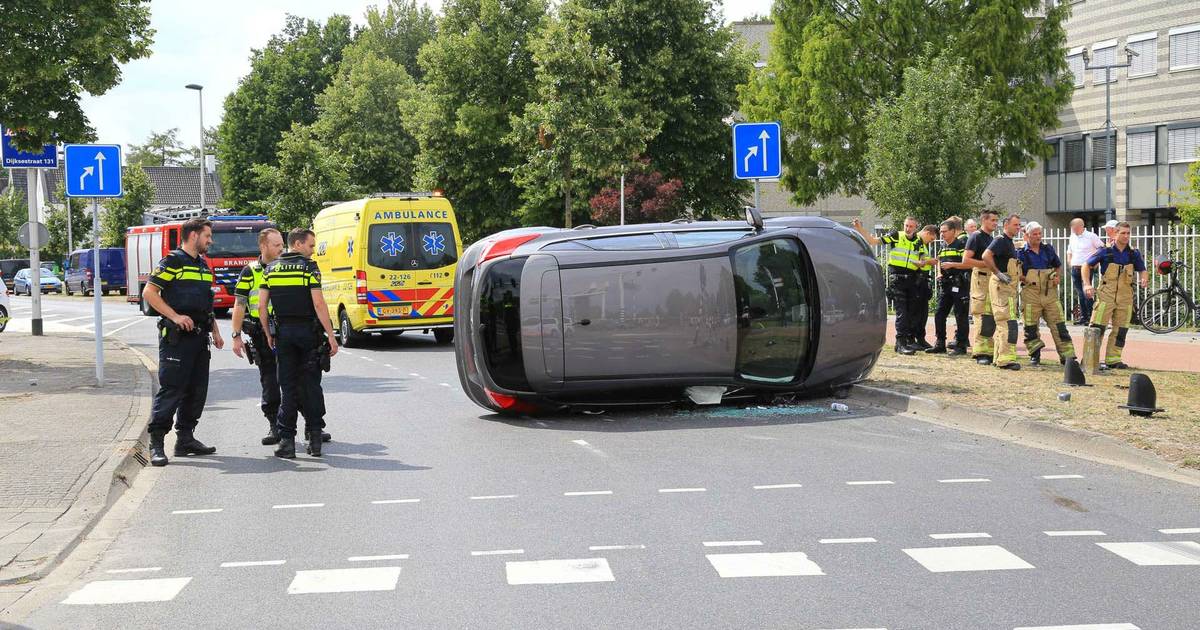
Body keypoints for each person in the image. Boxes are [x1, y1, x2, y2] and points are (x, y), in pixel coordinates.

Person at [231, 229, 333, 447]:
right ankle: (277, 427)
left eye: (281, 245)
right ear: (263, 246)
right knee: (274, 382)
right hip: (265, 333)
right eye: (276, 245)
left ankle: (305, 429)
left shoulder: (278, 269)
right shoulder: (251, 271)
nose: (280, 249)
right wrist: (236, 335)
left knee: (296, 383)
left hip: (281, 332)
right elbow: (240, 304)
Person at [141, 218, 224, 467]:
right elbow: (149, 293)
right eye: (207, 236)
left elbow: (205, 304)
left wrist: (216, 331)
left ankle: (185, 439)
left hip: (200, 337)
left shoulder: (202, 265)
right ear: (194, 235)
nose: (210, 241)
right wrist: (175, 316)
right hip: (176, 339)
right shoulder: (172, 261)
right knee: (172, 389)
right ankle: (156, 443)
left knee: (197, 391)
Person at [259, 228, 339, 458]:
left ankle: (287, 442)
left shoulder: (270, 269)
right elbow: (319, 304)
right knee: (311, 385)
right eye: (311, 246)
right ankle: (315, 440)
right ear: (297, 244)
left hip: (283, 334)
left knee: (288, 388)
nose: (313, 251)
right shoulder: (309, 268)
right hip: (308, 333)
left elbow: (262, 307)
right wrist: (331, 335)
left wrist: (268, 333)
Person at [852, 216, 937, 355]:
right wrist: (859, 228)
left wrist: (923, 262)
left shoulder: (918, 242)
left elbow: (922, 258)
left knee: (909, 313)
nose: (907, 228)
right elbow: (873, 241)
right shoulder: (896, 235)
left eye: (911, 226)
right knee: (902, 312)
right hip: (897, 279)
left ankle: (905, 343)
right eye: (906, 225)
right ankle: (900, 343)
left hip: (911, 279)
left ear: (916, 227)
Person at [1082, 222, 1148, 369]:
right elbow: (1086, 266)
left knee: (1121, 330)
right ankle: (1089, 359)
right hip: (1106, 296)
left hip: (1125, 297)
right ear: (1115, 234)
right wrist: (1087, 284)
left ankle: (1113, 359)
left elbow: (1142, 270)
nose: (1126, 236)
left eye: (1128, 233)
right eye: (1123, 233)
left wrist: (1144, 277)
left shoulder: (1133, 253)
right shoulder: (1105, 251)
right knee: (1096, 328)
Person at [1017, 222, 1075, 366]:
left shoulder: (1048, 249)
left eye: (1039, 234)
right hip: (1030, 293)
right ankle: (1035, 356)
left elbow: (1057, 265)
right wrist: (1026, 278)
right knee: (1030, 327)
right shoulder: (1020, 252)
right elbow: (1016, 272)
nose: (1038, 237)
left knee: (1059, 325)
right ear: (1027, 236)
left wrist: (1057, 276)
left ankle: (1068, 357)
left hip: (1050, 293)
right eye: (1034, 234)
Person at [982, 214, 1022, 370]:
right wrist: (998, 273)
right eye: (1015, 225)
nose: (1018, 228)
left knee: (1003, 322)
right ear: (1006, 225)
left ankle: (999, 357)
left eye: (1019, 225)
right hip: (1002, 287)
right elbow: (986, 256)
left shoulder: (1009, 243)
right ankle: (1006, 360)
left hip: (1007, 288)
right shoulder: (1000, 240)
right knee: (1008, 322)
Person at [927, 218, 970, 355]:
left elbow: (968, 264)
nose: (942, 234)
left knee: (960, 315)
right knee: (939, 313)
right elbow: (940, 260)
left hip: (959, 284)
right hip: (945, 285)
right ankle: (940, 343)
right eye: (941, 232)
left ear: (953, 231)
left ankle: (961, 345)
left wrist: (952, 265)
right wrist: (939, 272)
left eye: (945, 231)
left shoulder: (961, 244)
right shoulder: (943, 246)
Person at [962, 210, 999, 364]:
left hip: (992, 278)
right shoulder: (975, 236)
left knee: (990, 316)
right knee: (981, 316)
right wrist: (985, 264)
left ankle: (989, 351)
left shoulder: (991, 238)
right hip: (981, 279)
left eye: (997, 220)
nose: (996, 223)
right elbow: (966, 260)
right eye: (993, 220)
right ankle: (981, 353)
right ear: (984, 220)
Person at [1066, 218, 1104, 325]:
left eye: (1075, 228)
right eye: (1072, 228)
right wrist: (1070, 262)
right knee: (1080, 293)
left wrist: (1095, 263)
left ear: (1081, 226)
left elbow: (1101, 248)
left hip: (1087, 268)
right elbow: (1070, 250)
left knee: (1086, 293)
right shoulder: (1072, 236)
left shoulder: (1091, 236)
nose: (1073, 230)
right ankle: (1084, 317)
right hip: (1075, 268)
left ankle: (1092, 316)